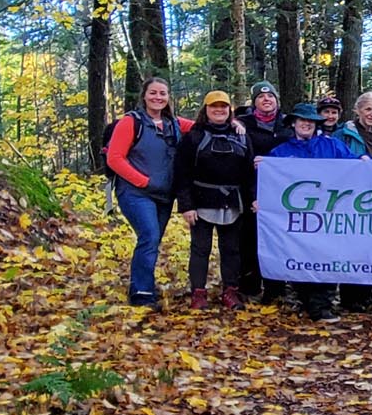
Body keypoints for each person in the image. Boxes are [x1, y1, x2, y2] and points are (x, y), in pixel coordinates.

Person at [263, 102, 358, 321]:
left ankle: (321, 306)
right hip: (296, 219)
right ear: (294, 123)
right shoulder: (280, 152)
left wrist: (364, 162)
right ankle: (306, 300)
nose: (306, 125)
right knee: (300, 257)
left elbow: (354, 166)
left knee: (326, 258)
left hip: (329, 215)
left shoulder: (332, 146)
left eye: (311, 121)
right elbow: (268, 183)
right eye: (302, 120)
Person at [104, 77, 183, 308]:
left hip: (164, 195)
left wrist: (236, 121)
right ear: (144, 96)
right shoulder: (131, 122)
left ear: (168, 97)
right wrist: (142, 181)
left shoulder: (173, 123)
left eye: (163, 93)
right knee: (148, 236)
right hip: (135, 192)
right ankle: (141, 292)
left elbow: (203, 124)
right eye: (153, 93)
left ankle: (144, 283)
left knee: (153, 240)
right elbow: (115, 158)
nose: (158, 97)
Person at [174, 91, 255, 310]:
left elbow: (249, 173)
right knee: (200, 249)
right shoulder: (193, 137)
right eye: (214, 107)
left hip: (233, 202)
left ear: (230, 110)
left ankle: (230, 292)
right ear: (205, 110)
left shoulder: (241, 135)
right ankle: (198, 293)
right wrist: (186, 206)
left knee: (231, 250)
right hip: (201, 201)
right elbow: (182, 174)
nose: (219, 110)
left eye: (223, 106)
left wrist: (252, 199)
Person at [335, 91, 372, 313]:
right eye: (368, 109)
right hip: (351, 198)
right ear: (358, 111)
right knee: (352, 247)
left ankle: (366, 294)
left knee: (371, 247)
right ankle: (350, 297)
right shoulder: (345, 134)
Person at [236, 82, 288, 299]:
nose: (266, 100)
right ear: (254, 101)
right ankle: (249, 287)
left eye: (271, 97)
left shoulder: (287, 124)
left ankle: (275, 289)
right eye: (261, 97)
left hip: (281, 192)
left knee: (277, 240)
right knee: (249, 240)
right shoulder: (242, 124)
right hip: (251, 188)